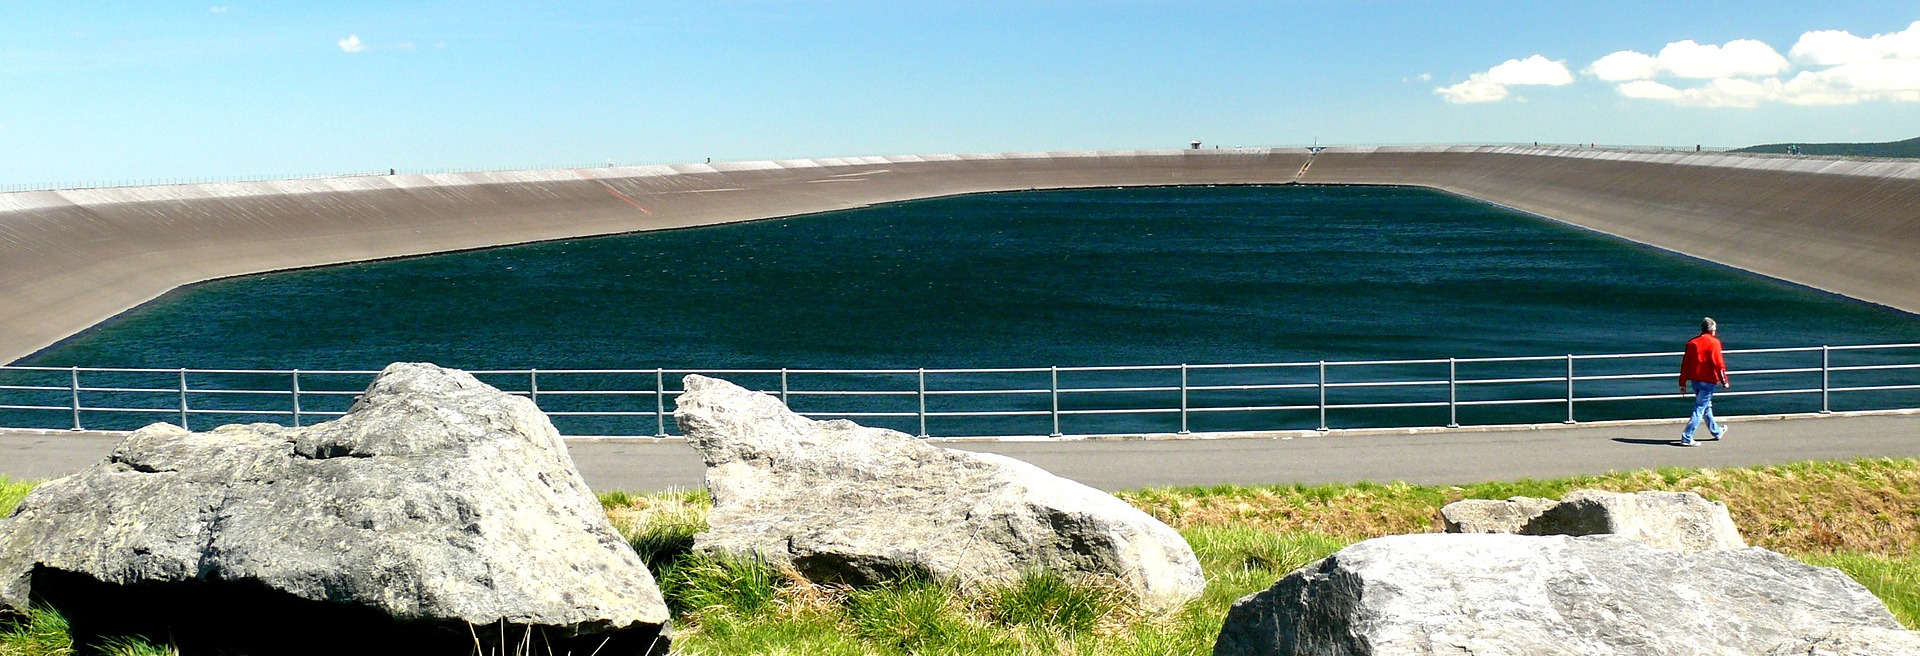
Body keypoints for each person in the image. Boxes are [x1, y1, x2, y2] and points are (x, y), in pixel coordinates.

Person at [1677, 317, 1730, 446]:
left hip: (1695, 380)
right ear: (1712, 330)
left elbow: (1685, 364)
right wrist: (1724, 381)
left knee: (1706, 407)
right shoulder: (1714, 343)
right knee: (1700, 408)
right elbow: (1719, 363)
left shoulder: (1692, 343)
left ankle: (1716, 431)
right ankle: (1687, 436)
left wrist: (1682, 382)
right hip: (1708, 380)